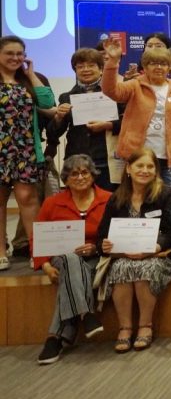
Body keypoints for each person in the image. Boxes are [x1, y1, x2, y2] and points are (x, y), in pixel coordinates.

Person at [95, 148, 171, 353]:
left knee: (145, 268)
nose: (144, 170)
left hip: (159, 255)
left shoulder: (166, 194)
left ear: (156, 170)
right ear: (128, 168)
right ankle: (125, 328)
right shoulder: (117, 198)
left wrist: (156, 246)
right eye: (139, 166)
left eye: (150, 166)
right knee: (121, 268)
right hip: (124, 256)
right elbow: (101, 236)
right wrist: (104, 245)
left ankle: (145, 326)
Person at [31, 155, 112, 364]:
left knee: (73, 267)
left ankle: (56, 337)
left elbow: (114, 235)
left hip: (95, 260)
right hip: (60, 259)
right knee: (69, 258)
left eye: (85, 172)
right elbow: (37, 238)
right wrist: (46, 266)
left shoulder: (108, 199)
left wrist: (95, 248)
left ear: (93, 175)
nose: (80, 177)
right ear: (65, 179)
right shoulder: (52, 203)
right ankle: (86, 314)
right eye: (74, 173)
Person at [101, 38, 171, 198]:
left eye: (163, 63)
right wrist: (113, 61)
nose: (159, 67)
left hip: (170, 161)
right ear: (145, 67)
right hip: (138, 159)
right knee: (137, 202)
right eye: (153, 63)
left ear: (168, 66)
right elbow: (110, 90)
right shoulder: (135, 85)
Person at [1, 36, 56, 269]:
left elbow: (47, 102)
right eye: (9, 53)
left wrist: (31, 73)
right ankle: (1, 253)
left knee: (28, 199)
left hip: (25, 149)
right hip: (1, 150)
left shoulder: (29, 80)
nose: (15, 58)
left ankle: (38, 252)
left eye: (20, 54)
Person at [46, 48, 120, 190]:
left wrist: (108, 125)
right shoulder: (67, 97)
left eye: (91, 65)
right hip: (76, 160)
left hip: (107, 159)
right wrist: (59, 118)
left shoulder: (114, 92)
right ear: (75, 70)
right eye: (80, 67)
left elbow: (126, 122)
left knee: (107, 204)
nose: (85, 70)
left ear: (101, 69)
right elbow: (54, 134)